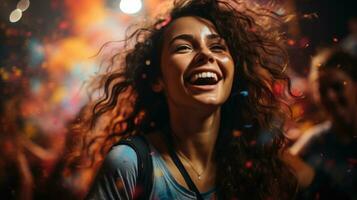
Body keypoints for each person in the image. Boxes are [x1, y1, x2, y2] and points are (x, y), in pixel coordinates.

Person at [65, 0, 298, 199]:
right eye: (184, 47)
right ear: (158, 79)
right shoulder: (130, 164)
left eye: (217, 46)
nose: (206, 55)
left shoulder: (257, 163)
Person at [291, 48, 357, 199]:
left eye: (337, 86)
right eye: (322, 90)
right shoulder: (314, 140)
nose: (331, 97)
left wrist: (314, 180)